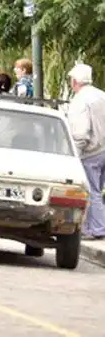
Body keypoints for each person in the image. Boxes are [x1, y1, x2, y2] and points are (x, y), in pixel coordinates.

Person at [65, 63, 105, 240]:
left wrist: (75, 155)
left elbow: (81, 133)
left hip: (91, 151)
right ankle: (98, 225)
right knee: (100, 189)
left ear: (74, 81)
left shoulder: (80, 100)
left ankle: (96, 229)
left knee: (92, 191)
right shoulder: (101, 95)